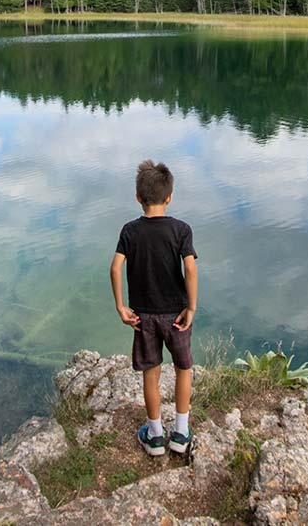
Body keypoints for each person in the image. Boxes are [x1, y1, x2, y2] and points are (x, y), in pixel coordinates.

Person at [110, 159, 198, 457]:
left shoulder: (129, 231)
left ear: (138, 197)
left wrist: (121, 306)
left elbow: (114, 268)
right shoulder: (181, 230)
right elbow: (191, 270)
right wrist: (192, 307)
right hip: (176, 313)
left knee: (151, 372)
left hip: (143, 315)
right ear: (169, 197)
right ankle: (181, 432)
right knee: (183, 369)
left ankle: (156, 435)